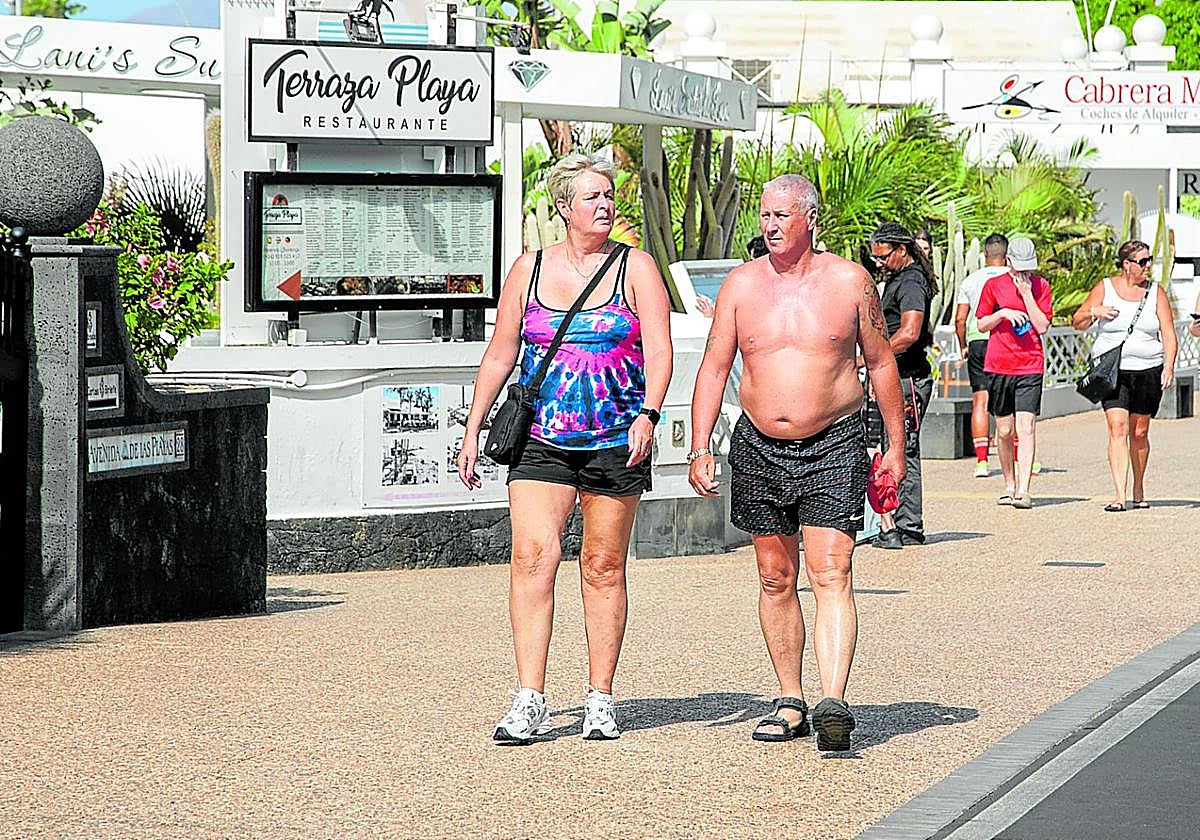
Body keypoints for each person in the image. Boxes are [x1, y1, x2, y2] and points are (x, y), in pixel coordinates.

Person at [456, 152, 673, 743]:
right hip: (541, 438)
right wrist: (472, 428)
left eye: (609, 195)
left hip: (615, 438)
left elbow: (659, 349)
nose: (605, 205)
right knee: (533, 556)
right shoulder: (529, 269)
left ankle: (600, 696)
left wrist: (650, 413)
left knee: (602, 566)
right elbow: (501, 352)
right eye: (592, 197)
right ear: (563, 207)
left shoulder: (636, 267)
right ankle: (530, 697)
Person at [687, 175, 906, 752]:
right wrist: (700, 445)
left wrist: (895, 446)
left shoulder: (850, 281)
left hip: (834, 440)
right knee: (775, 576)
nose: (771, 225)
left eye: (782, 215)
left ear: (810, 219)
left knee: (831, 570)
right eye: (765, 215)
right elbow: (714, 366)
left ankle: (833, 700)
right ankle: (790, 699)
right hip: (759, 443)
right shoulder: (741, 285)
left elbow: (882, 364)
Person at [1072, 240, 1177, 511]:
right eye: (1142, 262)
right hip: (1113, 372)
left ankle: (1138, 487)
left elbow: (1168, 332)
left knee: (1139, 432)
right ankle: (1119, 494)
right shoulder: (1105, 288)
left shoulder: (1155, 292)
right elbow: (1078, 321)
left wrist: (1168, 366)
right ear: (1127, 265)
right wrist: (1094, 311)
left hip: (1148, 370)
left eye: (1149, 260)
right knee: (1117, 428)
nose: (1147, 266)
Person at [867, 222, 937, 549]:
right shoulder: (897, 278)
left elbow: (909, 333)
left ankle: (908, 527)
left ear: (902, 250)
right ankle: (895, 523)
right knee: (891, 446)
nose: (879, 263)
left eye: (884, 256)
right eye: (875, 258)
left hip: (908, 378)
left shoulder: (911, 282)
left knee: (903, 447)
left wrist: (872, 358)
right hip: (894, 377)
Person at [975, 237, 1053, 509]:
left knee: (1026, 427)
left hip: (1030, 365)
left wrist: (1027, 295)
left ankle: (1023, 489)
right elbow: (981, 323)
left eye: (1029, 267)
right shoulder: (993, 285)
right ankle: (1009, 483)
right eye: (1020, 267)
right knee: (1005, 430)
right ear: (1009, 261)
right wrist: (1003, 314)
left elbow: (1042, 326)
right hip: (999, 365)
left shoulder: (1041, 286)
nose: (1025, 272)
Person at [955, 234, 1010, 478]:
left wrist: (963, 345)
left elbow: (960, 319)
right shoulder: (1014, 277)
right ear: (1006, 255)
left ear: (985, 254)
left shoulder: (970, 280)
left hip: (978, 340)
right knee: (1011, 401)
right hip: (1005, 341)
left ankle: (982, 462)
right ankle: (1017, 458)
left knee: (980, 401)